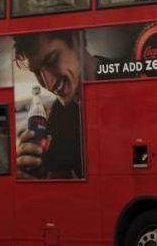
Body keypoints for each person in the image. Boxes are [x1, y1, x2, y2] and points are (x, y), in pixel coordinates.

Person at [14, 31, 106, 180]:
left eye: (51, 61)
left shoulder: (126, 81)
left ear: (77, 39)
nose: (48, 84)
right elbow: (57, 185)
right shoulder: (59, 113)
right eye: (37, 72)